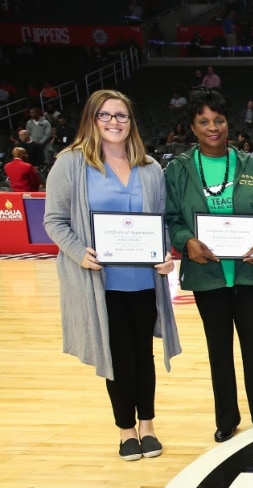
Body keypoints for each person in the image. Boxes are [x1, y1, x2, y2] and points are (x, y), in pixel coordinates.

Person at [43, 89, 180, 460]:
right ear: (92, 119)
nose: (114, 122)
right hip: (100, 283)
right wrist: (76, 252)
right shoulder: (70, 164)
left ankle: (148, 425)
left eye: (121, 116)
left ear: (131, 122)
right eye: (106, 115)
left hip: (142, 281)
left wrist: (165, 256)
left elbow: (161, 222)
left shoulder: (149, 167)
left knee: (143, 356)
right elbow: (53, 220)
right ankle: (126, 430)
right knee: (118, 357)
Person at [164, 88, 253, 442]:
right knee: (219, 350)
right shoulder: (179, 169)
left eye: (218, 120)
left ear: (228, 123)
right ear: (193, 126)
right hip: (206, 275)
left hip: (248, 273)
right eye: (204, 121)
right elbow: (171, 218)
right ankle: (226, 418)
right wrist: (186, 241)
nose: (212, 127)